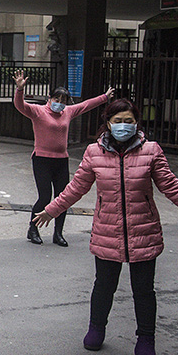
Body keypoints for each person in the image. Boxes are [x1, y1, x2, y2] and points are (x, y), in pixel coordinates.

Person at [34, 99, 178, 355]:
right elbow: (76, 188)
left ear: (136, 123)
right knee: (103, 286)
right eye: (118, 121)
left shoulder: (151, 151)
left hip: (144, 230)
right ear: (108, 123)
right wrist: (51, 210)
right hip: (106, 231)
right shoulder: (94, 152)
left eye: (128, 121)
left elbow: (172, 187)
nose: (123, 126)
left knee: (144, 291)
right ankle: (96, 329)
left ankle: (146, 339)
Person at [13, 70, 113, 247]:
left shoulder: (67, 112)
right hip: (42, 159)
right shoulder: (38, 112)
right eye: (56, 100)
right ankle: (33, 229)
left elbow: (86, 105)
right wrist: (20, 90)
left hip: (61, 161)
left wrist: (104, 97)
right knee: (45, 197)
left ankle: (58, 233)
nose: (59, 104)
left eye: (63, 101)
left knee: (62, 198)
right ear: (49, 99)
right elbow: (21, 106)